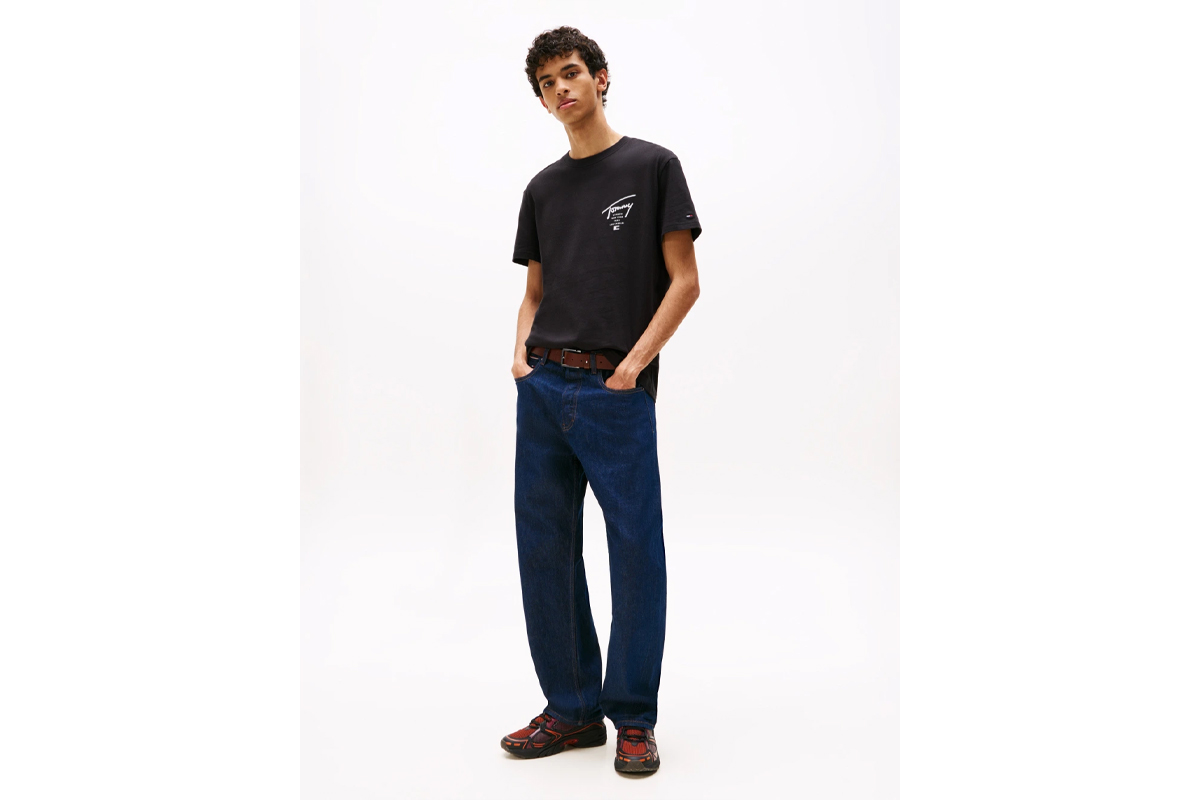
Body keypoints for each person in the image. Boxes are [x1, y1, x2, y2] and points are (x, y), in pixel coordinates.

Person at [498, 26, 703, 776]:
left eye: (571, 73)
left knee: (636, 552)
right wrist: (520, 357)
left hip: (616, 392)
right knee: (544, 552)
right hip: (543, 389)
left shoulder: (652, 167)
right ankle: (572, 709)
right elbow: (535, 293)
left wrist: (633, 368)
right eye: (547, 82)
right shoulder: (542, 190)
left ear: (601, 77)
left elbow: (685, 281)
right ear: (543, 100)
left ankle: (634, 718)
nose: (561, 88)